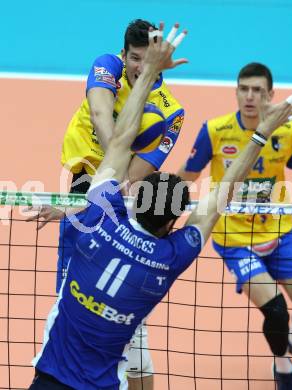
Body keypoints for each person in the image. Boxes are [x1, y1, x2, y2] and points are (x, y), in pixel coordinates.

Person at [27, 25, 292, 390]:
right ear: (173, 222)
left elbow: (119, 148)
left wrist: (79, 206)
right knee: (134, 345)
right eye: (135, 59)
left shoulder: (99, 217)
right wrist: (260, 134)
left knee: (71, 309)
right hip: (104, 373)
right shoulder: (171, 256)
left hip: (94, 208)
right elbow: (217, 199)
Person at [40, 19, 185, 389]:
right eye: (134, 58)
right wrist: (83, 196)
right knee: (73, 301)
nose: (139, 67)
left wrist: (80, 205)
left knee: (128, 327)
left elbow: (129, 179)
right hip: (86, 183)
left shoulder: (171, 112)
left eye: (145, 60)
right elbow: (103, 118)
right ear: (124, 55)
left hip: (120, 204)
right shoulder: (107, 66)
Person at [178, 62, 292, 389]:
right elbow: (186, 177)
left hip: (279, 234)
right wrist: (148, 203)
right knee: (277, 311)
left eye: (257, 91)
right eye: (244, 89)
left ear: (270, 95)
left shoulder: (290, 131)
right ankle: (282, 367)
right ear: (236, 92)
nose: (249, 97)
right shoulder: (215, 130)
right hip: (235, 239)